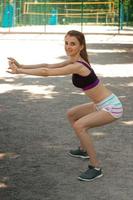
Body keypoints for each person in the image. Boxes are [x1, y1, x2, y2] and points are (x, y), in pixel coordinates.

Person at [7, 30, 123, 182]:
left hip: (111, 107)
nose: (68, 47)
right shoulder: (73, 60)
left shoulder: (79, 66)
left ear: (81, 46)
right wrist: (22, 65)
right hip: (100, 104)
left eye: (73, 44)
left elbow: (46, 72)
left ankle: (95, 167)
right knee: (72, 114)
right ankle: (83, 150)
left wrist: (20, 71)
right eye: (66, 43)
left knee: (79, 126)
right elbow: (47, 65)